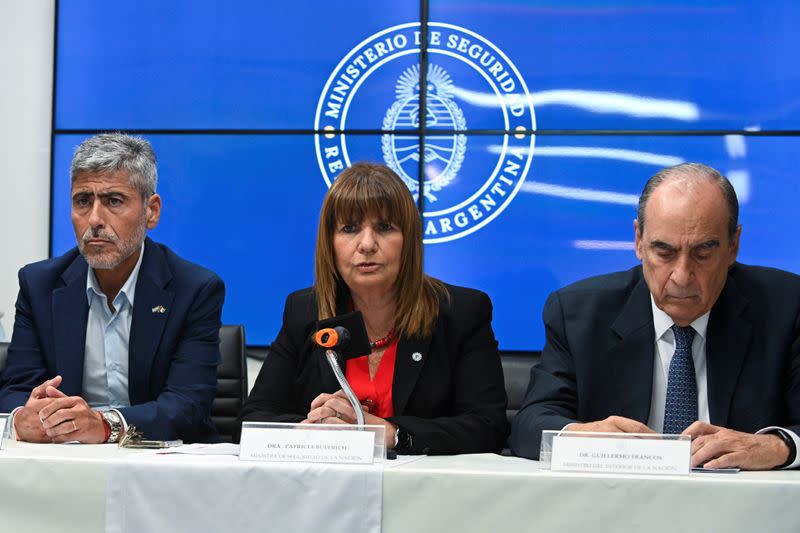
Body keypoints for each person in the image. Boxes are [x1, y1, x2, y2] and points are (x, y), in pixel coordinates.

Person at [510, 162, 800, 470]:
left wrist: (778, 446)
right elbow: (529, 425)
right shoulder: (579, 313)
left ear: (733, 245)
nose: (682, 276)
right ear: (638, 240)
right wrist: (581, 436)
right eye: (664, 252)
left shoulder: (785, 307)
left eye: (703, 254)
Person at [237, 162, 508, 454]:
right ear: (330, 244)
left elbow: (489, 428)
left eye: (385, 227)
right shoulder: (304, 311)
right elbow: (251, 421)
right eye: (350, 228)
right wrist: (313, 428)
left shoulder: (461, 313)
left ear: (409, 241)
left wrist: (389, 433)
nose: (367, 244)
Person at [0, 133, 224, 444]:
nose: (94, 219)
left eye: (113, 201)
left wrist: (106, 425)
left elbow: (187, 407)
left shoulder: (194, 289)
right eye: (83, 201)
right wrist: (22, 416)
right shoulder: (40, 285)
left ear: (151, 211)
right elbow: (16, 389)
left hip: (159, 463)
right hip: (67, 461)